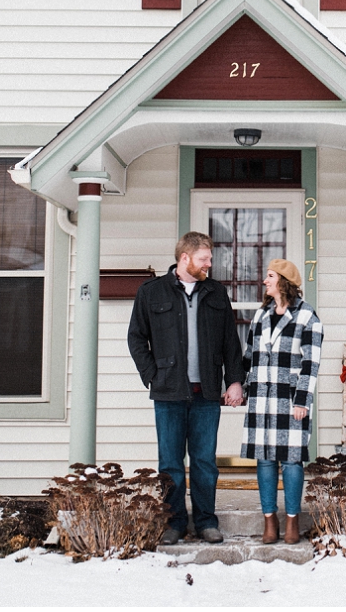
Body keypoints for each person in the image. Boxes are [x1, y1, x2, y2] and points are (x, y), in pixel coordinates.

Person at [127, 231, 245, 544]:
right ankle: (174, 524)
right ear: (185, 258)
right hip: (168, 392)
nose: (209, 264)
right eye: (204, 258)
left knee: (205, 462)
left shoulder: (216, 293)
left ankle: (206, 522)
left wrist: (234, 381)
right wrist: (152, 374)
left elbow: (230, 343)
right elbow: (137, 337)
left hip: (206, 393)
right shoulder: (152, 292)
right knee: (170, 463)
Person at [242, 258, 324, 544]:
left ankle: (291, 521)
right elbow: (249, 353)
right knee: (264, 461)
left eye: (270, 276)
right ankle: (269, 522)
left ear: (284, 282)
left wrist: (302, 400)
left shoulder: (307, 317)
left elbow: (311, 363)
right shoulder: (261, 314)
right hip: (261, 399)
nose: (265, 281)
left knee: (291, 462)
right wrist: (240, 386)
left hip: (290, 401)